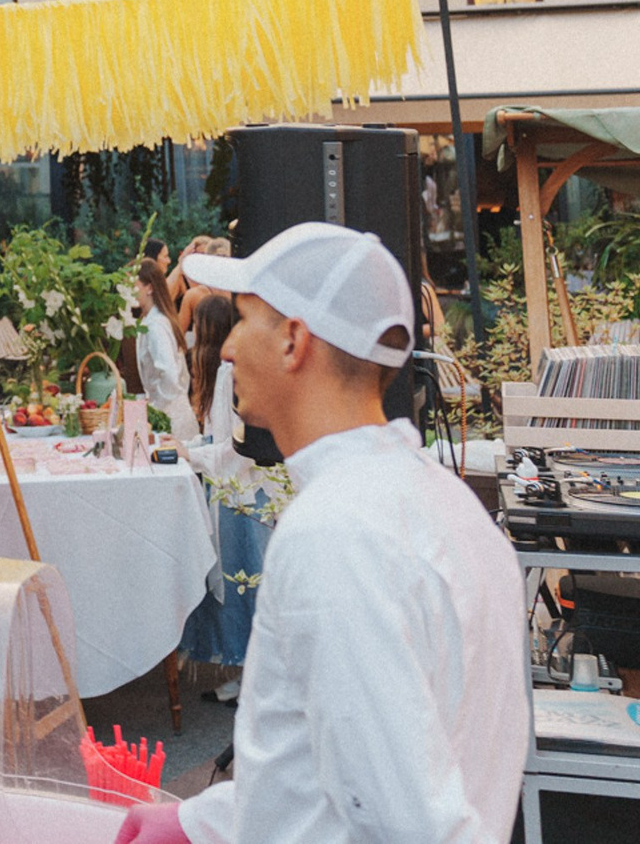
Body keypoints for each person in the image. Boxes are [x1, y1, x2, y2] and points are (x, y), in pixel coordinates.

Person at [113, 223, 525, 844]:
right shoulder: (447, 506)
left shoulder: (336, 532)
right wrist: (198, 821)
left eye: (243, 320)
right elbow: (328, 768)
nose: (227, 349)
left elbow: (403, 820)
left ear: (293, 341)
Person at [176, 290, 267, 699]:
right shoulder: (223, 375)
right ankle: (245, 674)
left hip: (242, 492)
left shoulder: (230, 375)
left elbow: (237, 448)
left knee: (244, 582)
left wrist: (193, 455)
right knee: (238, 583)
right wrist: (189, 448)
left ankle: (252, 678)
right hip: (232, 488)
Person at [133, 255, 190, 429]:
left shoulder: (156, 325)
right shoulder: (150, 320)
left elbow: (170, 375)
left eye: (133, 285)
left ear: (149, 288)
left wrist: (155, 408)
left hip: (171, 419)